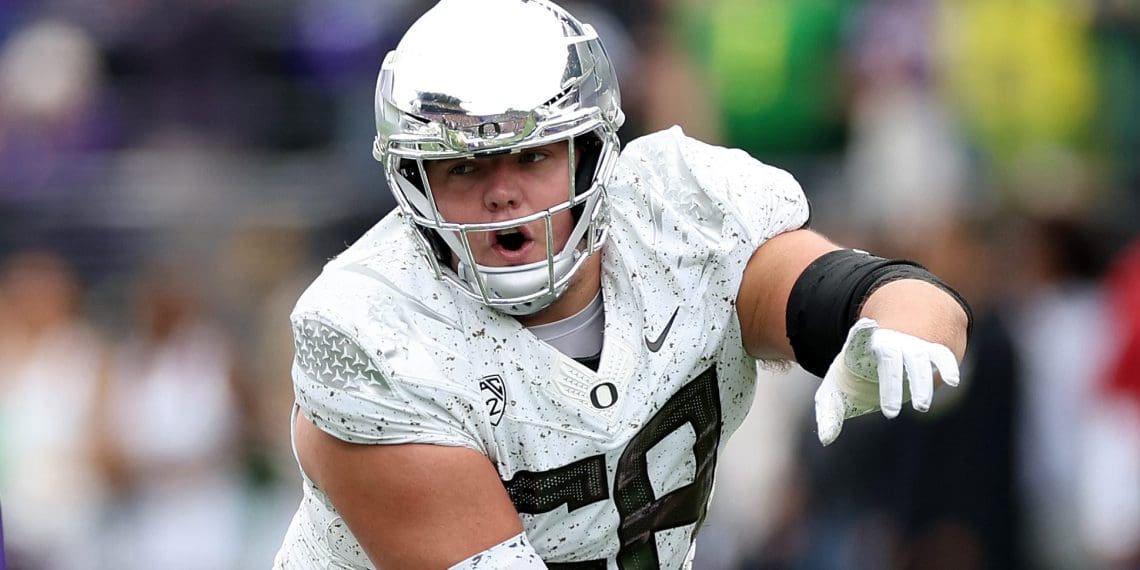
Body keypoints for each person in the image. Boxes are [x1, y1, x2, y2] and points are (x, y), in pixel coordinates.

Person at [273, 1, 971, 568]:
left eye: (530, 155)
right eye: (465, 167)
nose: (503, 193)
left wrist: (902, 326)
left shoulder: (679, 216)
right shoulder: (370, 332)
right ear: (415, 180)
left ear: (588, 153)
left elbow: (863, 290)